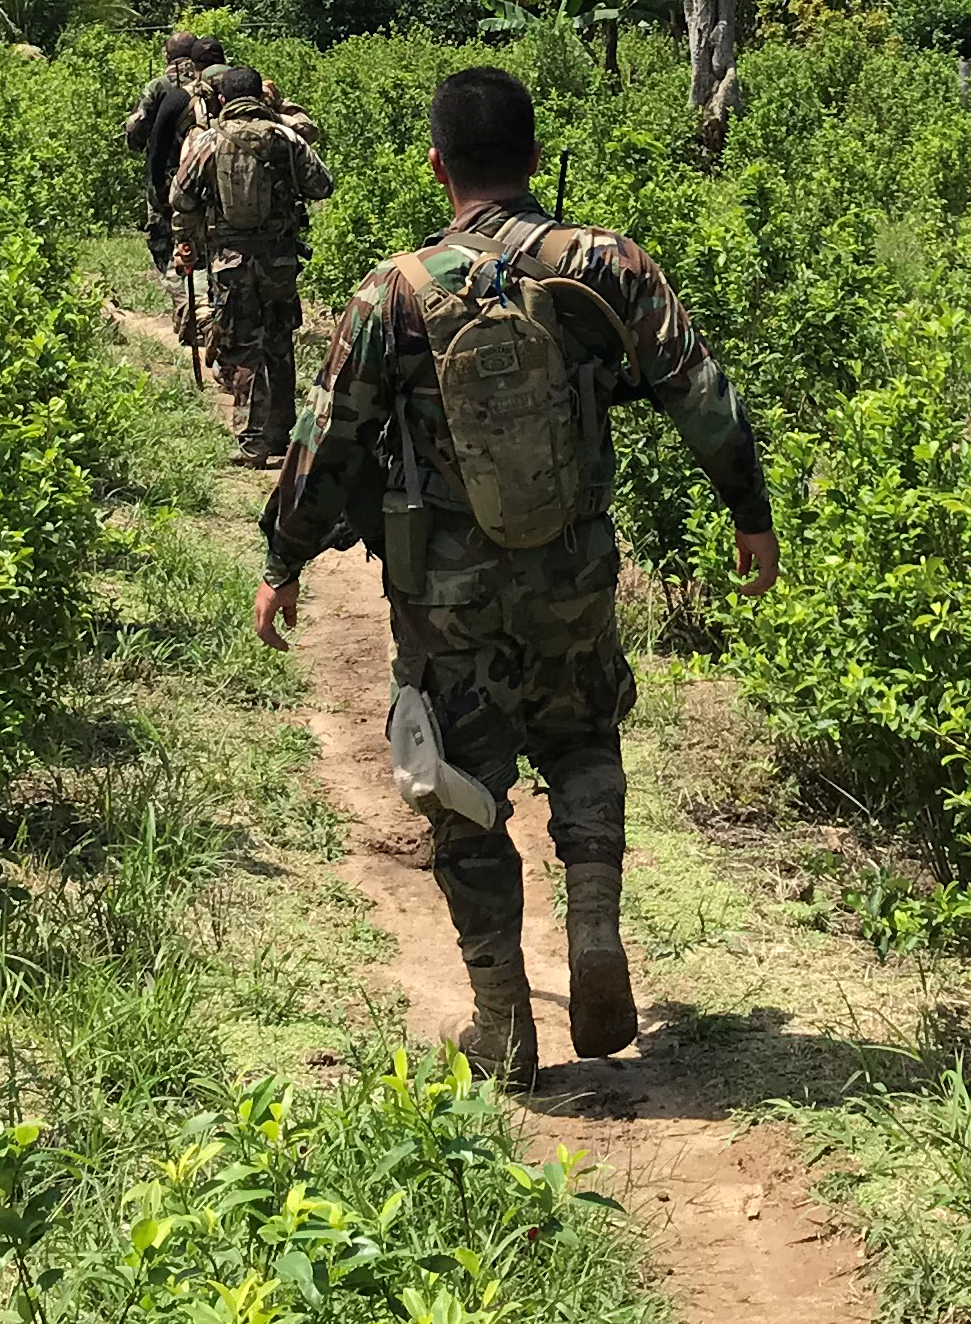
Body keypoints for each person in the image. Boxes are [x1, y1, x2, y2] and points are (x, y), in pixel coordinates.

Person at [258, 64, 779, 1084]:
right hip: (574, 574)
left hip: (444, 600)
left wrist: (285, 559)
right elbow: (701, 393)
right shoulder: (607, 264)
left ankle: (502, 1020)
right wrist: (750, 516)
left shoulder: (393, 292)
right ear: (537, 160)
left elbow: (325, 443)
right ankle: (593, 926)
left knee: (458, 787)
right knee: (584, 737)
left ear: (436, 165)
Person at [171, 62, 337, 466]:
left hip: (230, 261)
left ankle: (251, 440)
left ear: (223, 99)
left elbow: (181, 198)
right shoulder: (286, 137)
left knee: (243, 345)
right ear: (260, 97)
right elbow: (322, 184)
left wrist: (186, 243)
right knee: (279, 341)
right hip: (279, 258)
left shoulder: (207, 141)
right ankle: (282, 435)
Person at [120, 31, 219, 271]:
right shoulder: (214, 80)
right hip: (210, 171)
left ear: (168, 56)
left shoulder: (157, 86)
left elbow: (136, 132)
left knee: (165, 242)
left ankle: (182, 295)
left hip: (167, 176)